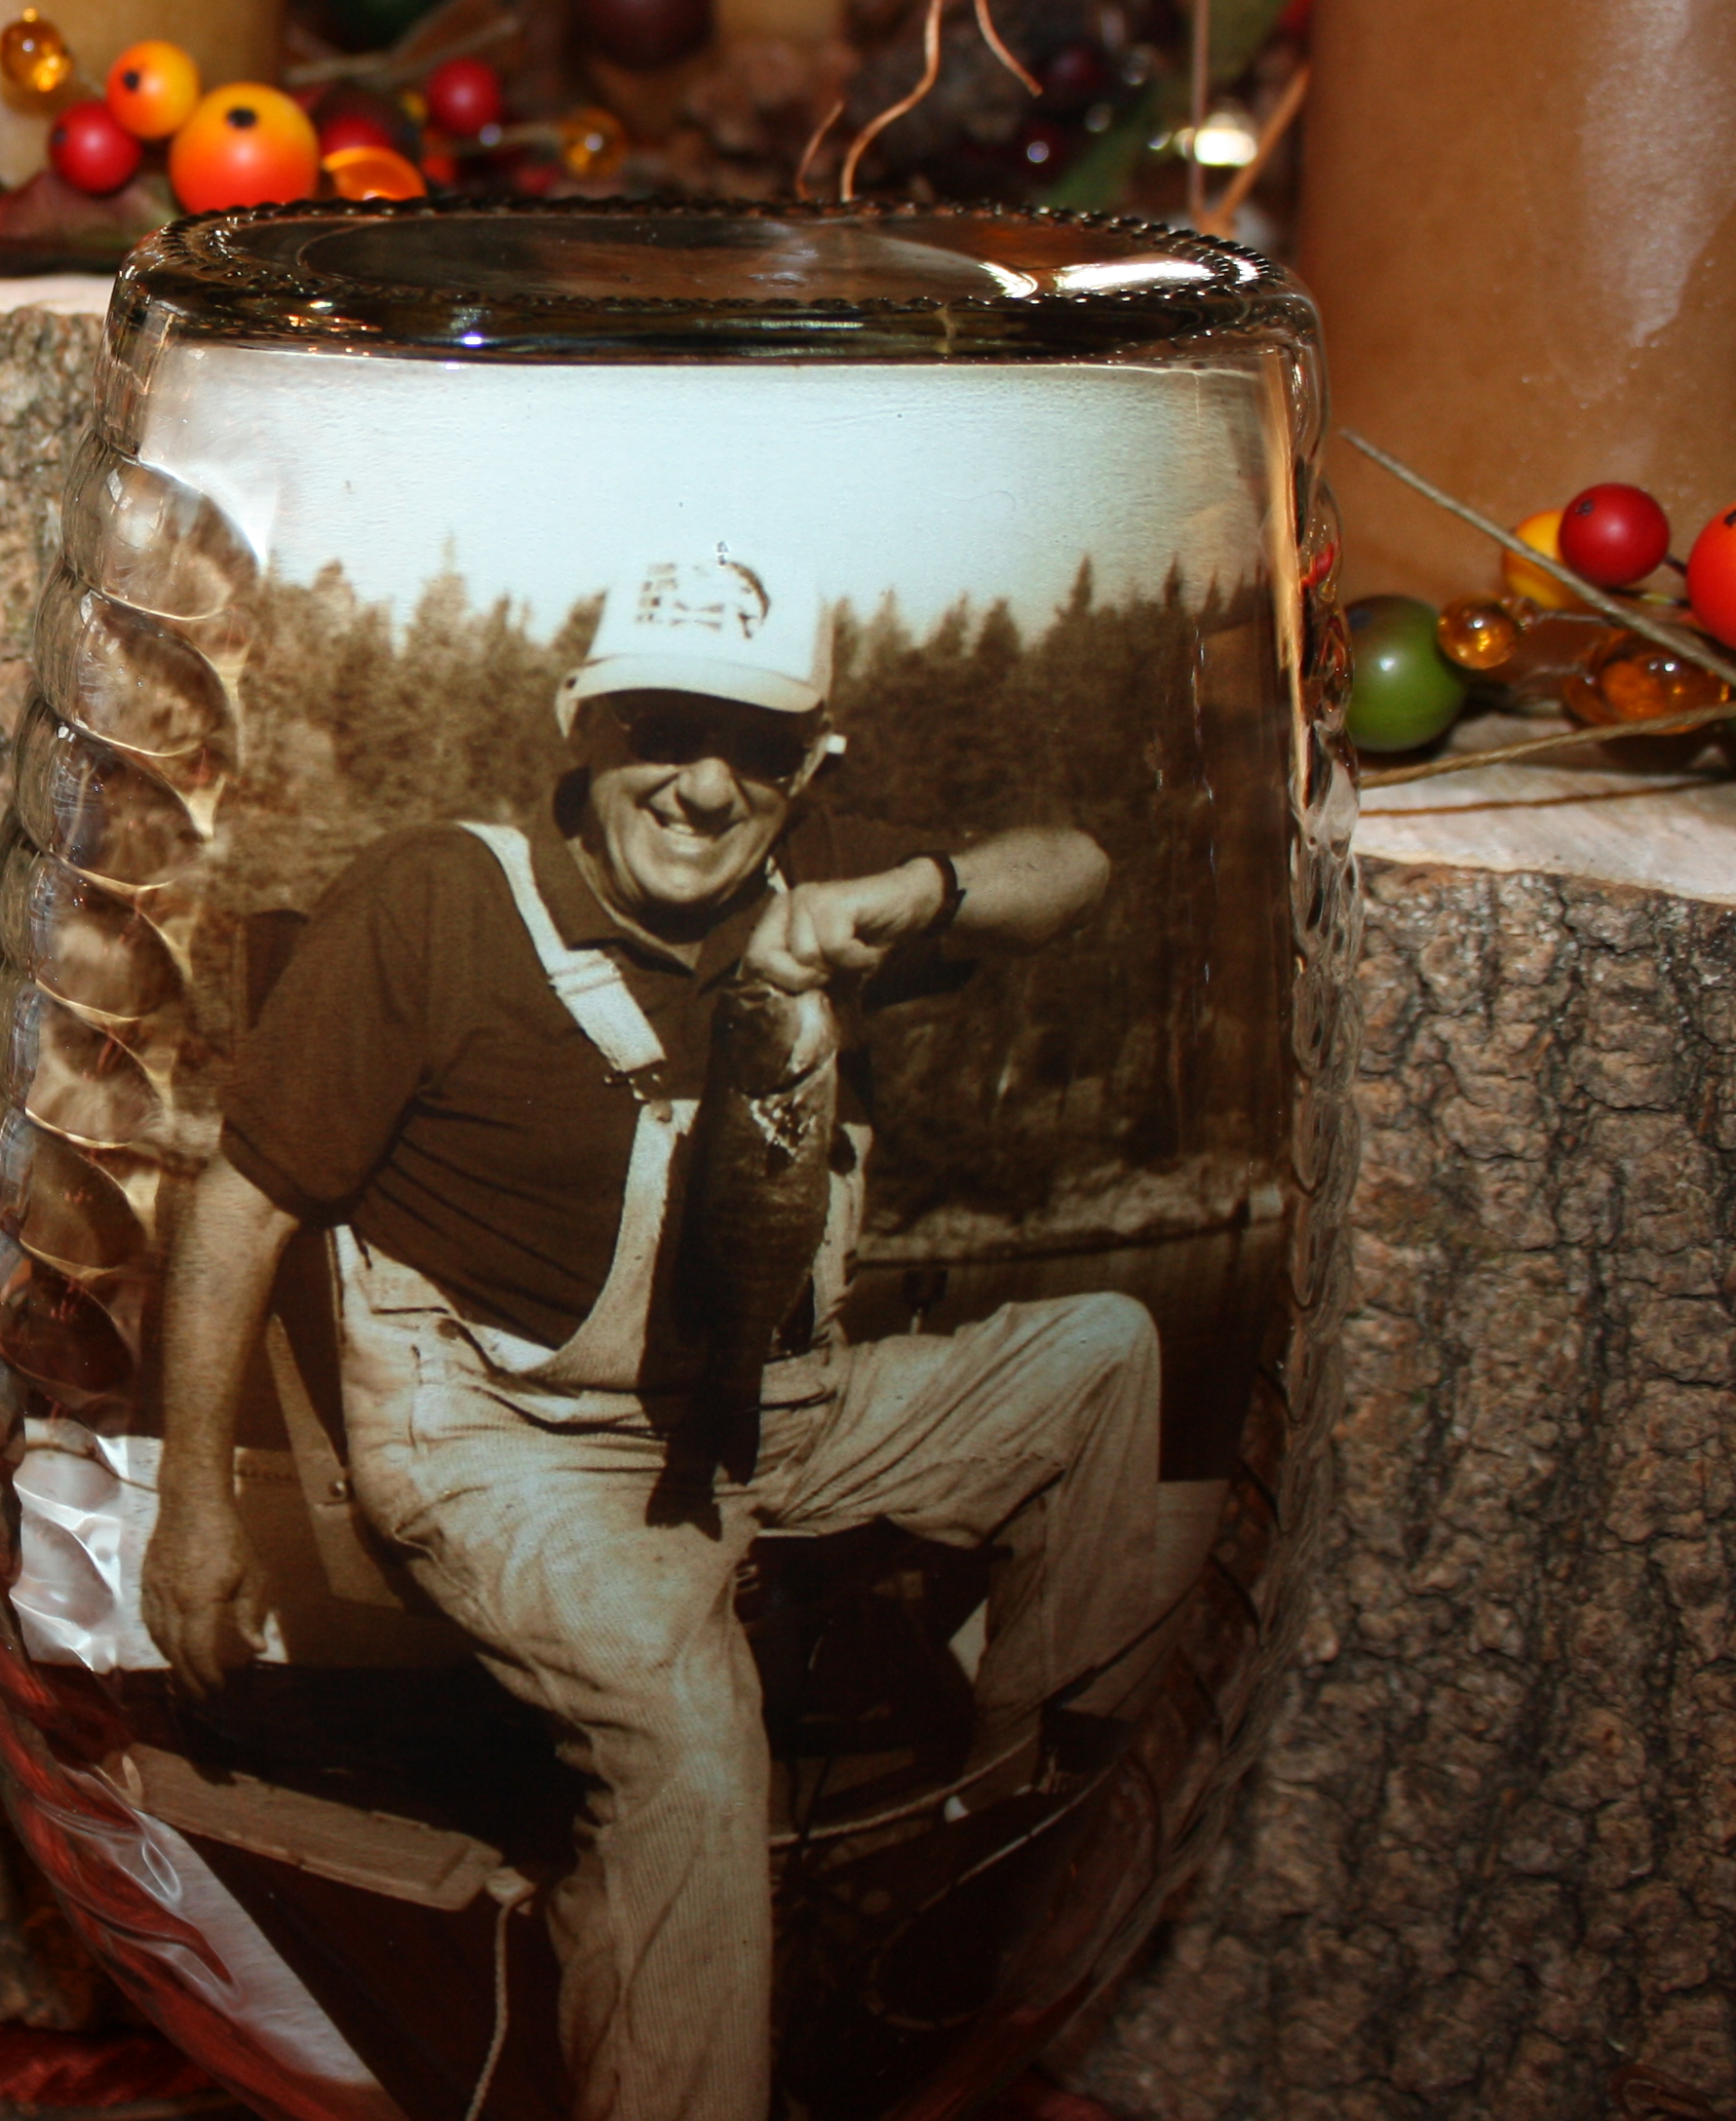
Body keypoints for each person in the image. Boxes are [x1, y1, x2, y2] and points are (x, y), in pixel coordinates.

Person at [140, 546, 1165, 2121]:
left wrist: (923, 892)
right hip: (513, 1449)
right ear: (584, 730)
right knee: (690, 1739)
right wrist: (196, 1509)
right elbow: (237, 1213)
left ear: (810, 766)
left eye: (758, 748)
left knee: (1102, 1354)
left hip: (766, 1403)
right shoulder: (439, 902)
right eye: (661, 732)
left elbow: (1080, 868)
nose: (703, 785)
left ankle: (999, 1833)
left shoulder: (819, 892)